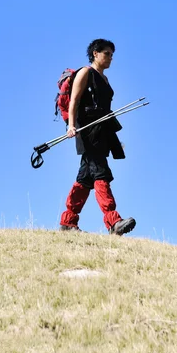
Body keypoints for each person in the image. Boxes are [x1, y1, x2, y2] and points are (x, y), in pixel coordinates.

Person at [59, 38, 136, 235]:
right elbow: (74, 101)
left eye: (112, 54)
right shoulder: (86, 73)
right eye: (107, 53)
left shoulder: (105, 79)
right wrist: (71, 126)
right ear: (95, 53)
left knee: (85, 178)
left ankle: (68, 221)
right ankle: (113, 221)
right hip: (87, 130)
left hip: (102, 131)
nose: (110, 58)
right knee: (100, 172)